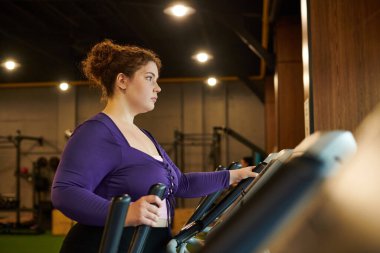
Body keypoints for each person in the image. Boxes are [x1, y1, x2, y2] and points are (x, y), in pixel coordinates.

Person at [51, 39, 257, 253]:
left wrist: (234, 177)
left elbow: (181, 185)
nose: (157, 88)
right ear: (122, 80)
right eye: (149, 78)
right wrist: (125, 212)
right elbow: (65, 192)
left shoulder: (144, 136)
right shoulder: (96, 131)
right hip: (105, 245)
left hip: (148, 243)